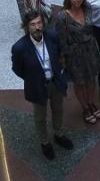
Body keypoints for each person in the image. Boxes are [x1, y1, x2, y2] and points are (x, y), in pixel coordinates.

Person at [11, 11, 73, 160]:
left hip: (55, 82)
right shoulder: (19, 47)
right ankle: (44, 142)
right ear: (26, 27)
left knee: (58, 109)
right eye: (33, 24)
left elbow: (59, 54)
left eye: (39, 23)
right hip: (37, 86)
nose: (37, 27)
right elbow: (18, 69)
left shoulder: (52, 36)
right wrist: (33, 78)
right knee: (40, 116)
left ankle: (58, 133)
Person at [55, 0, 100, 124]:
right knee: (80, 82)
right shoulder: (63, 16)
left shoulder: (87, 8)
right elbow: (61, 40)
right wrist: (65, 58)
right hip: (75, 53)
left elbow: (90, 29)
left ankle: (91, 102)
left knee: (92, 78)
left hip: (90, 49)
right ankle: (85, 107)